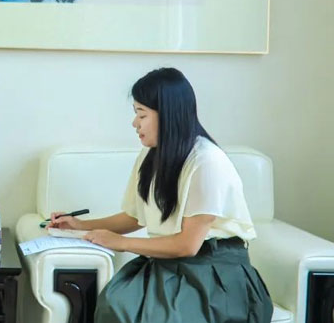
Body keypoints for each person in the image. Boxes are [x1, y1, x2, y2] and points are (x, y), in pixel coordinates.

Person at [49, 67, 272, 323]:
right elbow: (135, 217)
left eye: (141, 114)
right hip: (171, 265)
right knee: (114, 303)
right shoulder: (151, 155)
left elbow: (187, 245)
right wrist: (80, 226)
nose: (135, 123)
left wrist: (120, 243)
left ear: (167, 114)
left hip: (215, 274)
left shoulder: (208, 161)